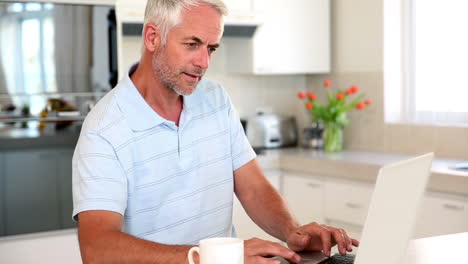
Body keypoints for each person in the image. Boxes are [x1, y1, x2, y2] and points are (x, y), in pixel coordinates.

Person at [72, 0, 359, 263]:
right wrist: (208, 258)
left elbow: (253, 187)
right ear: (152, 37)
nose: (204, 63)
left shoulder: (215, 99)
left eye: (211, 48)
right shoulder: (104, 129)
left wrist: (291, 230)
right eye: (192, 44)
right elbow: (97, 248)